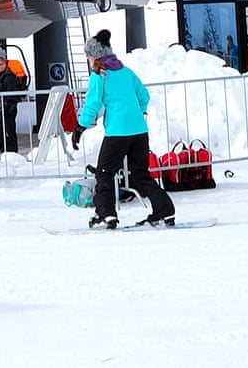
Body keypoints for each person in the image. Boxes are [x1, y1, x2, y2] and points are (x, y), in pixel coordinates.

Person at [72, 39, 174, 229]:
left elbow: (93, 104)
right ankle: (165, 209)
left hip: (118, 132)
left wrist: (80, 127)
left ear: (95, 56)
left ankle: (106, 214)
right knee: (140, 173)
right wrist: (138, 112)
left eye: (88, 54)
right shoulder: (126, 72)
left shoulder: (99, 76)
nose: (87, 58)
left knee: (104, 173)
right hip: (139, 130)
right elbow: (144, 96)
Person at [0, 56, 20, 154]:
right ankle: (3, 152)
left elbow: (11, 95)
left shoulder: (9, 78)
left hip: (6, 111)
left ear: (4, 64)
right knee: (0, 134)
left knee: (8, 133)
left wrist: (5, 108)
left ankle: (11, 153)